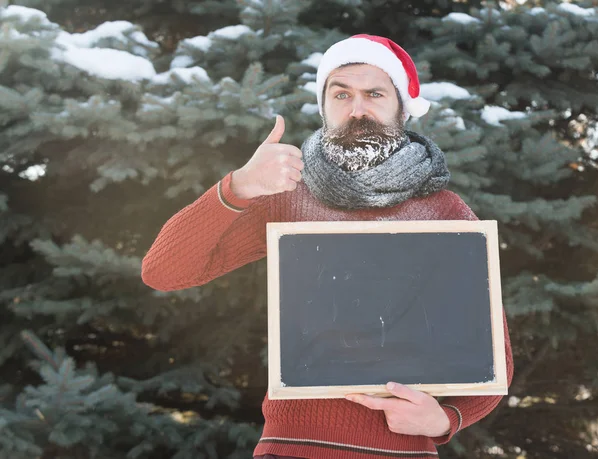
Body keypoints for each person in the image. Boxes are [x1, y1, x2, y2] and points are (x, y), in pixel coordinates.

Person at [142, 34, 514, 459]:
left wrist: (446, 420)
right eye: (341, 94)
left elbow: (492, 358)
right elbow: (163, 271)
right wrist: (238, 186)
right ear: (325, 107)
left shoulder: (443, 211)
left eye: (374, 93)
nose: (357, 109)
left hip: (403, 452)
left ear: (402, 107)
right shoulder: (286, 194)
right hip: (290, 448)